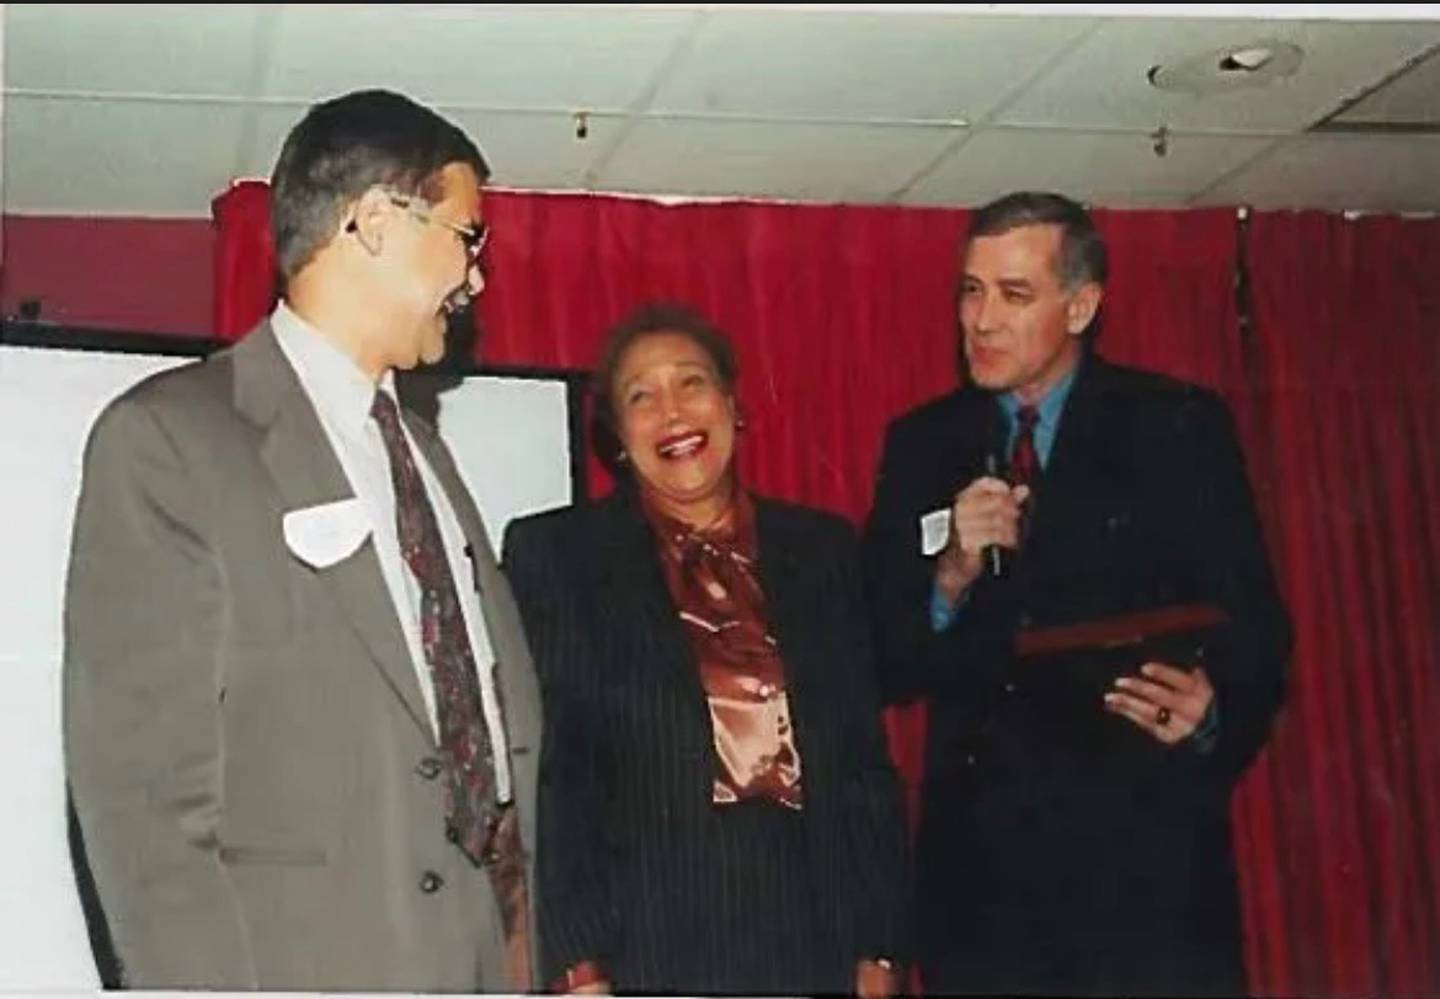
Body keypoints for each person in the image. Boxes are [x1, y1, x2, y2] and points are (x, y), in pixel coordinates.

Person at [62, 89, 540, 991]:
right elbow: (145, 809)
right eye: (466, 237)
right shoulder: (171, 441)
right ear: (373, 222)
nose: (475, 277)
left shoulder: (428, 457)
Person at [861, 192, 1292, 996]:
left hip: (1144, 882)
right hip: (984, 901)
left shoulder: (1176, 425)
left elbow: (1259, 624)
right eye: (970, 290)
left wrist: (1214, 710)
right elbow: (883, 660)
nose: (981, 320)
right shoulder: (921, 443)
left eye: (1013, 294)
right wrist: (950, 571)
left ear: (1083, 305)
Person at [503, 304, 909, 997]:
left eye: (691, 383)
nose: (673, 411)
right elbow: (558, 778)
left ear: (732, 404)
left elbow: (862, 766)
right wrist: (579, 966)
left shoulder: (823, 548)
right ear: (616, 437)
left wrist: (881, 949)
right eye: (641, 395)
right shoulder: (559, 556)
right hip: (650, 944)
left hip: (816, 935)